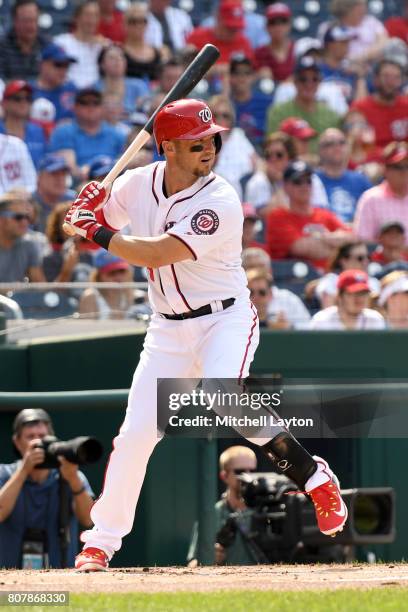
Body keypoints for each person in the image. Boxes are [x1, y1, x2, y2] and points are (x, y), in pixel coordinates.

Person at [62, 98, 347, 571]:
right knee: (135, 435)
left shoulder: (220, 199)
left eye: (212, 140)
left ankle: (314, 478)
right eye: (197, 143)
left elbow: (156, 253)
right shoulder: (136, 182)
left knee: (223, 394)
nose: (209, 149)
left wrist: (97, 232)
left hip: (224, 319)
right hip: (166, 329)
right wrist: (85, 208)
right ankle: (101, 542)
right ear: (168, 147)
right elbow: (83, 226)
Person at [0, 408, 94, 569]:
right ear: (17, 442)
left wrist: (72, 478)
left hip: (59, 576)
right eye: (30, 437)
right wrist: (23, 471)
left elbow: (88, 519)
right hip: (8, 578)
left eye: (43, 437)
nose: (38, 443)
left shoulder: (71, 476)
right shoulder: (4, 473)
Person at [266, 160, 352, 272]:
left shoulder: (324, 214)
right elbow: (304, 248)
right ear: (286, 187)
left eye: (308, 181)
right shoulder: (278, 216)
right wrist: (338, 248)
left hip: (330, 277)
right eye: (298, 182)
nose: (304, 186)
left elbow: (351, 238)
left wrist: (322, 237)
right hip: (296, 280)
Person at [187, 445, 258, 566]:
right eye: (240, 472)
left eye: (252, 471)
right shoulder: (211, 516)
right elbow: (192, 563)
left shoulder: (268, 511)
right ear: (224, 476)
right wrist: (209, 559)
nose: (248, 477)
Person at [245, 131, 328, 220]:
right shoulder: (259, 181)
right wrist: (282, 185)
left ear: (290, 157)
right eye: (268, 155)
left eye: (279, 155)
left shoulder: (309, 178)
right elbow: (265, 216)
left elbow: (321, 211)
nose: (273, 159)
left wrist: (284, 179)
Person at [266, 57, 342, 152]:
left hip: (323, 165)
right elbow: (272, 147)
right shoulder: (278, 112)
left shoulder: (331, 115)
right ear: (295, 81)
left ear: (320, 82)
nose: (309, 84)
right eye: (303, 79)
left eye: (314, 79)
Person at [49, 88, 126, 181]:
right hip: (78, 185)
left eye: (96, 103)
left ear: (102, 108)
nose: (91, 107)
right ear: (75, 107)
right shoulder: (64, 131)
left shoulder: (117, 134)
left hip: (111, 181)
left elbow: (125, 162)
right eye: (84, 103)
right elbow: (70, 168)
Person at [354, 142, 408, 245]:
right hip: (384, 259)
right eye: (398, 167)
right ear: (385, 169)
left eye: (407, 166)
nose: (404, 172)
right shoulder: (371, 199)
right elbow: (364, 241)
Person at [316, 128, 372, 223]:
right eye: (330, 144)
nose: (337, 147)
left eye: (342, 142)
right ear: (320, 150)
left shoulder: (360, 180)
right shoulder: (311, 180)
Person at [350, 60, 408, 148]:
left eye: (396, 77)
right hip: (374, 159)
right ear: (375, 79)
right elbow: (354, 145)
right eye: (386, 76)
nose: (391, 82)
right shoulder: (360, 108)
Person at [208, 95, 257, 199]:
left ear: (232, 118)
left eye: (225, 115)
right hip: (215, 193)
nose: (220, 119)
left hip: (244, 194)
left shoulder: (238, 135)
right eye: (216, 115)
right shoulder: (204, 140)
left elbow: (257, 162)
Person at [54, 0, 107, 89]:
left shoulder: (103, 46)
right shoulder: (61, 42)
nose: (92, 20)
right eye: (88, 15)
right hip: (68, 92)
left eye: (95, 15)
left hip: (95, 95)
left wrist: (106, 50)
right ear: (76, 18)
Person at [186, 0, 254, 69]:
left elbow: (250, 71)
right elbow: (187, 68)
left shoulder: (243, 42)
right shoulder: (197, 37)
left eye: (237, 28)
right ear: (218, 18)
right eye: (230, 28)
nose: (234, 32)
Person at [309, 269, 385, 330]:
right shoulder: (322, 321)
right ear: (340, 296)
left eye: (363, 293)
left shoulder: (374, 319)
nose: (360, 298)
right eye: (354, 293)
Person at [313, 241, 379, 309]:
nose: (366, 261)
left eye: (368, 257)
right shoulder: (331, 280)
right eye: (360, 258)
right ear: (344, 261)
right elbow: (328, 309)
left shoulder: (373, 282)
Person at [228, 53, 273, 151]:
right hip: (234, 152)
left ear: (253, 76)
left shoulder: (267, 102)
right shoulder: (226, 106)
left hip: (262, 150)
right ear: (230, 77)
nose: (242, 77)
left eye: (246, 73)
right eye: (237, 73)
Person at [0, 190, 46, 282]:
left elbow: (40, 287)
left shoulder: (29, 244)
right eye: (18, 217)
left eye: (27, 217)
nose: (25, 222)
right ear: (1, 219)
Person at [0, 80, 47, 170]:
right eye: (17, 98)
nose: (24, 103)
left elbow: (45, 165)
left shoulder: (38, 131)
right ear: (4, 103)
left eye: (28, 98)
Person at [95, 44, 149, 120]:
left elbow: (147, 114)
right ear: (102, 64)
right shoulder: (94, 89)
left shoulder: (139, 86)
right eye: (112, 58)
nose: (117, 60)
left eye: (121, 57)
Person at [325, 0, 388, 65]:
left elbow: (383, 43)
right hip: (344, 67)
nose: (363, 10)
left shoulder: (372, 22)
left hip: (373, 64)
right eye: (359, 7)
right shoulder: (330, 27)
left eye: (364, 6)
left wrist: (362, 57)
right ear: (347, 9)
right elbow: (329, 53)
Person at [0, 0, 49, 81]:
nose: (31, 25)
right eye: (26, 21)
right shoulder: (2, 45)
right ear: (14, 21)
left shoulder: (47, 44)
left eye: (34, 20)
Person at [318, 24, 367, 105]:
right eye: (343, 43)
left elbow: (362, 105)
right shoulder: (316, 69)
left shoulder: (353, 71)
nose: (347, 46)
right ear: (330, 45)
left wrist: (360, 77)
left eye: (348, 42)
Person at [79, 250, 135, 319]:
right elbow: (87, 328)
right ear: (99, 276)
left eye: (121, 271)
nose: (118, 277)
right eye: (112, 273)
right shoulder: (90, 297)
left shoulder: (137, 295)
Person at [31, 43, 78, 123]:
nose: (63, 71)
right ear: (42, 65)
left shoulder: (72, 89)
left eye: (66, 66)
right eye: (58, 65)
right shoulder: (28, 92)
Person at [32, 154, 76, 233]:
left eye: (63, 174)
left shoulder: (73, 200)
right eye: (54, 174)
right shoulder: (29, 203)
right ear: (39, 177)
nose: (60, 179)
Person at [122, 3, 164, 82]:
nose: (138, 25)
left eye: (143, 21)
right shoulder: (120, 53)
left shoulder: (158, 53)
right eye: (133, 21)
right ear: (125, 24)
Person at [254, 3, 295, 83]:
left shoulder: (298, 49)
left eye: (283, 21)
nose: (278, 27)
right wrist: (258, 76)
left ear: (289, 24)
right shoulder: (259, 53)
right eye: (273, 22)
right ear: (266, 26)